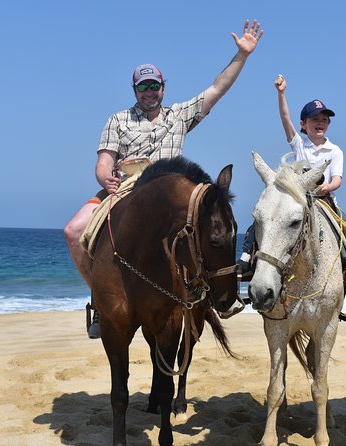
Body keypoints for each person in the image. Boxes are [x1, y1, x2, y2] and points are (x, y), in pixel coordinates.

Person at [64, 19, 263, 339]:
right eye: (143, 87)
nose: (149, 92)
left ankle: (212, 294)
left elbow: (215, 90)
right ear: (134, 91)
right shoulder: (118, 119)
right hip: (125, 187)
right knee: (73, 231)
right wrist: (106, 179)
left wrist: (242, 56)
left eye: (154, 85)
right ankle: (101, 299)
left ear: (163, 88)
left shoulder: (179, 115)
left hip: (170, 193)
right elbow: (103, 162)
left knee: (212, 229)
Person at [239, 74, 346, 296]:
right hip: (299, 198)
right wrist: (281, 93)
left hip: (324, 199)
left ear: (329, 124)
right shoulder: (299, 144)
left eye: (324, 119)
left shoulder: (335, 150)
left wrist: (328, 187)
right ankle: (247, 259)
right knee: (263, 221)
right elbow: (285, 117)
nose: (320, 123)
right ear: (304, 124)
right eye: (314, 119)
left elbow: (337, 179)